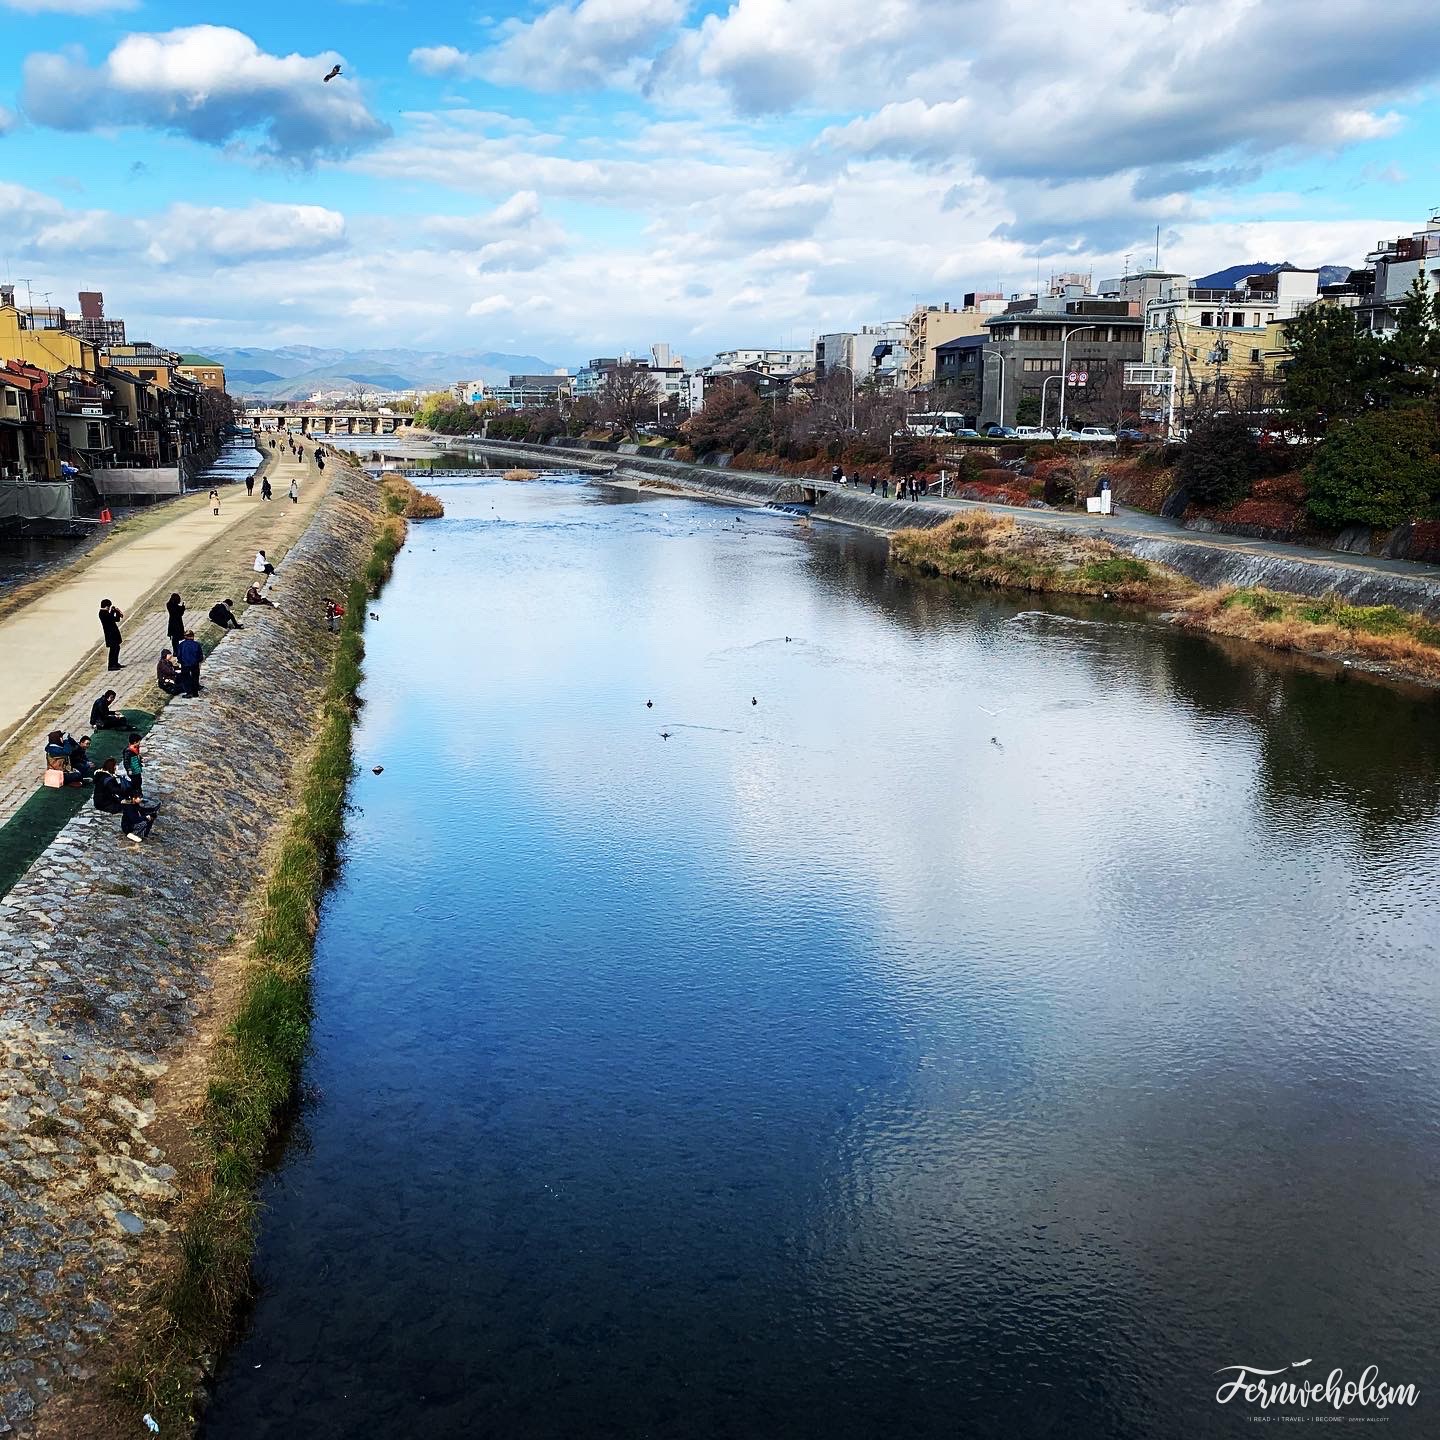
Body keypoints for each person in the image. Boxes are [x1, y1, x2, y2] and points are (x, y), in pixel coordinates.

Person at [93, 758, 158, 843]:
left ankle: (138, 816)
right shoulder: (108, 779)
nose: (116, 767)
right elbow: (115, 790)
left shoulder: (102, 775)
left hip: (103, 800)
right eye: (115, 766)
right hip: (104, 803)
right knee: (127, 806)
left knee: (128, 803)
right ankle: (129, 829)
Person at [99, 598, 124, 670]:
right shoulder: (103, 613)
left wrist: (116, 613)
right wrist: (113, 612)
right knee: (113, 650)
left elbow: (116, 619)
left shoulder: (106, 613)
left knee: (117, 648)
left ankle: (115, 663)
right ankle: (111, 665)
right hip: (110, 635)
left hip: (113, 633)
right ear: (107, 606)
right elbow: (112, 619)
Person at [176, 630, 204, 697]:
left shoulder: (181, 645)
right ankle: (195, 692)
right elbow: (200, 655)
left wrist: (180, 661)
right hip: (195, 664)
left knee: (186, 678)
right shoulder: (196, 644)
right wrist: (198, 660)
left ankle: (189, 692)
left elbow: (179, 655)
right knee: (195, 677)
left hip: (185, 664)